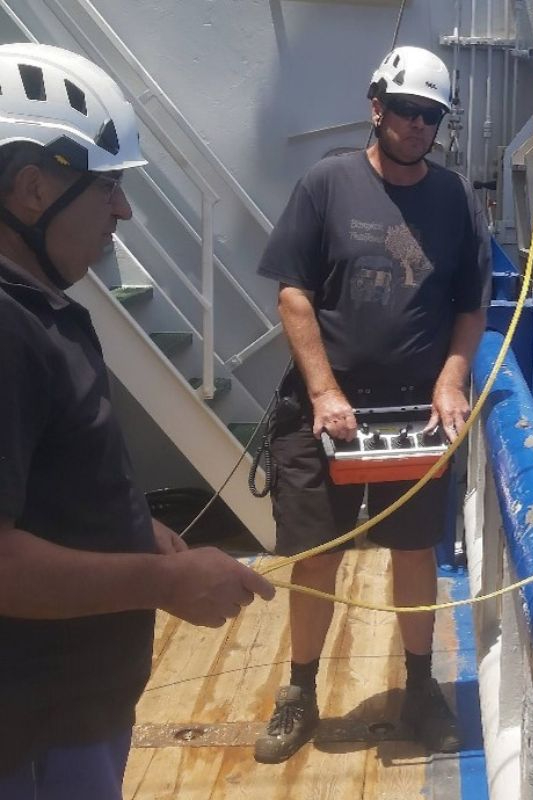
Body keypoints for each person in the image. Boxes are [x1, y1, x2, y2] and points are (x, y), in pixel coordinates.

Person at [0, 43, 276, 800]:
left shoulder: (40, 309)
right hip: (34, 739)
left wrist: (131, 530)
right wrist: (164, 581)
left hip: (69, 721)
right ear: (31, 189)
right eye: (108, 186)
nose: (122, 211)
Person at [252, 44, 490, 763]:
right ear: (377, 107)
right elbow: (293, 293)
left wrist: (451, 381)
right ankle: (300, 692)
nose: (419, 125)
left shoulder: (456, 199)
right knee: (315, 557)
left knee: (414, 551)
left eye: (432, 115)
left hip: (415, 412)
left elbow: (470, 306)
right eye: (408, 110)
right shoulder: (327, 184)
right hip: (323, 411)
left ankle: (419, 688)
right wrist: (324, 391)